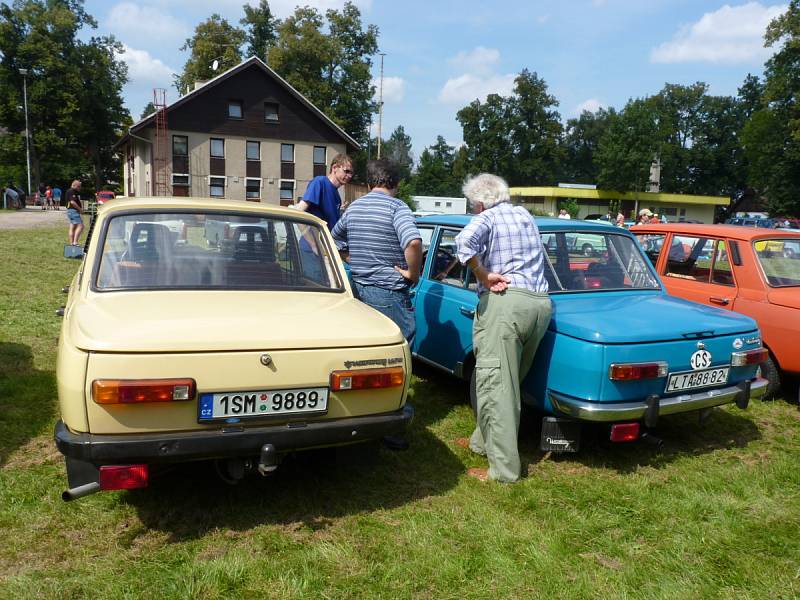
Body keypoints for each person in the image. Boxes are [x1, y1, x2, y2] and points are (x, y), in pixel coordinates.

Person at [454, 173, 552, 483]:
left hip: (506, 303)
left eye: (474, 206)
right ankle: (481, 442)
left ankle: (504, 471)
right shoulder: (524, 214)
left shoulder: (488, 217)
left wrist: (482, 274)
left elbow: (462, 243)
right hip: (540, 305)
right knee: (508, 382)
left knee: (496, 386)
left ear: (480, 203)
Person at [331, 158, 422, 342]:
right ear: (396, 183)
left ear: (368, 183)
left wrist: (353, 259)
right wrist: (413, 273)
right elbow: (413, 242)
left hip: (356, 287)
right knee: (396, 348)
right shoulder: (397, 207)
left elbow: (333, 239)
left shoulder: (354, 208)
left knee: (365, 346)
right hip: (388, 293)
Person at [64, 180, 83, 245]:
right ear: (75, 185)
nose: (79, 188)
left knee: (73, 226)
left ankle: (71, 244)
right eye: (79, 187)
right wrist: (80, 209)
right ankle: (75, 242)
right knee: (81, 226)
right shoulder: (72, 191)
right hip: (73, 211)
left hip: (70, 211)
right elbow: (73, 202)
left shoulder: (70, 191)